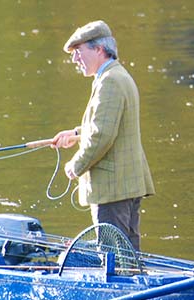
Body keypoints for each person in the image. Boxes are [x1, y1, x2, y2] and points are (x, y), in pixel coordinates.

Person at [50, 20, 154, 251]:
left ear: (98, 49)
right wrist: (76, 134)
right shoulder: (117, 75)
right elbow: (108, 124)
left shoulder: (110, 81)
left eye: (78, 51)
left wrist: (75, 166)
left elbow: (102, 136)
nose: (75, 59)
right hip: (124, 185)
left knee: (111, 256)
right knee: (128, 255)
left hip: (112, 190)